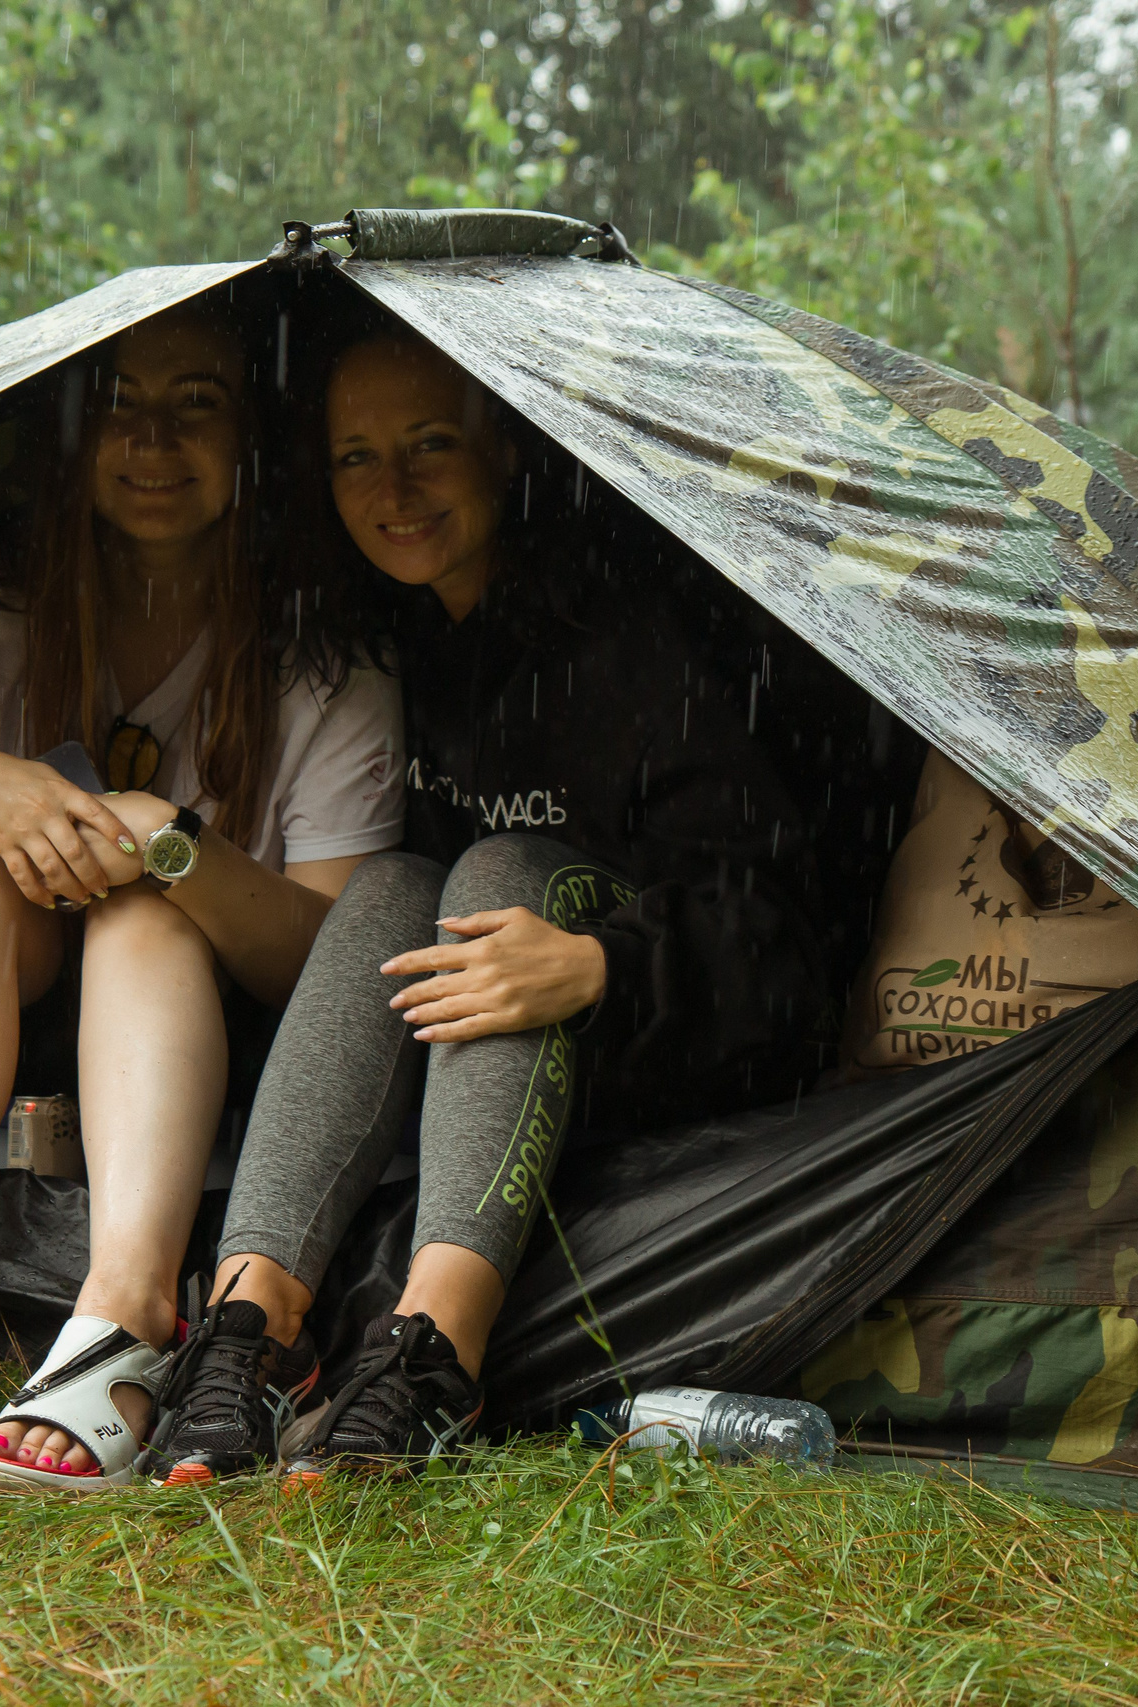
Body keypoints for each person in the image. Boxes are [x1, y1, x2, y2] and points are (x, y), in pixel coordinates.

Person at [142, 327, 913, 1483]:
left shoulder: (640, 632)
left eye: (430, 444)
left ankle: (434, 1356)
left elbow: (788, 940)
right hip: (482, 1060)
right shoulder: (387, 635)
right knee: (396, 883)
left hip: (679, 1029)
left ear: (504, 449)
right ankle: (252, 1334)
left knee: (499, 871)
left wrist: (603, 967)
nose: (392, 490)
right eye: (356, 458)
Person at [0, 301, 403, 1489]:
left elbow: (332, 968)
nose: (153, 440)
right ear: (70, 438)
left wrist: (173, 848)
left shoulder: (325, 658)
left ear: (253, 446)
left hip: (208, 1035)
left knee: (139, 913)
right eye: (119, 404)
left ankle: (127, 1313)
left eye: (197, 406)